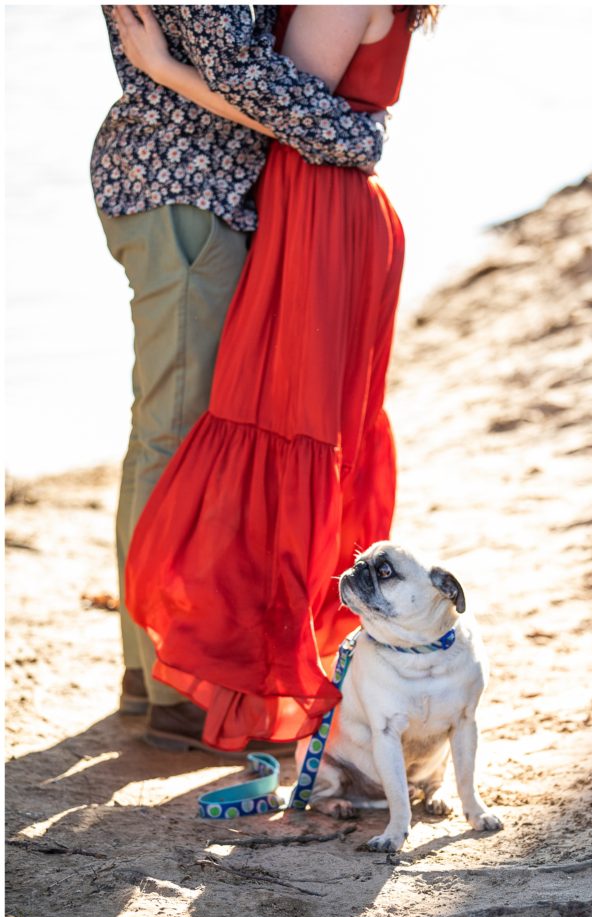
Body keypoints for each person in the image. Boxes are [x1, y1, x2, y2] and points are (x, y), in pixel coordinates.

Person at [120, 4, 437, 754]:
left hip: (322, 205)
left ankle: (233, 673)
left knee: (286, 436)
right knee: (276, 436)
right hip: (311, 205)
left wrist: (164, 70)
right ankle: (196, 668)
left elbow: (294, 110)